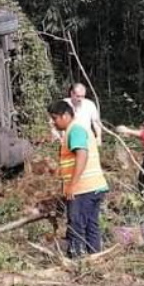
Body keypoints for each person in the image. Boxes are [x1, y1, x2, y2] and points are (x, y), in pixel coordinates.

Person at [49, 100, 108, 258]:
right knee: (91, 225)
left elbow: (82, 155)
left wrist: (72, 185)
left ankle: (78, 260)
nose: (53, 122)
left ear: (65, 115)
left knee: (76, 226)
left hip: (83, 188)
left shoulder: (75, 130)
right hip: (93, 187)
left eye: (55, 118)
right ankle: (94, 258)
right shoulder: (77, 129)